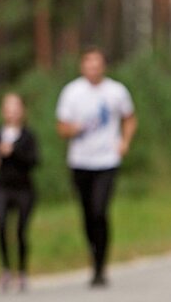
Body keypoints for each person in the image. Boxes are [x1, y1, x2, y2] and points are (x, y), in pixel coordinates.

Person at [56, 48, 137, 286]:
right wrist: (73, 129)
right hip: (80, 160)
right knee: (87, 213)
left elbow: (130, 117)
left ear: (104, 67)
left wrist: (125, 141)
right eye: (89, 65)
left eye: (97, 65)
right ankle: (93, 256)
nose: (93, 69)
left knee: (100, 210)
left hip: (107, 160)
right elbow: (61, 127)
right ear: (82, 67)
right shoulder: (72, 92)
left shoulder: (116, 91)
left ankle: (101, 266)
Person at [0, 92, 39, 292]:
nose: (12, 112)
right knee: (0, 225)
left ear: (22, 111)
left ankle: (23, 271)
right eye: (8, 108)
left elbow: (34, 161)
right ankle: (6, 269)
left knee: (20, 230)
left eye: (15, 107)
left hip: (24, 189)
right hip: (2, 188)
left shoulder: (28, 136)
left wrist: (14, 152)